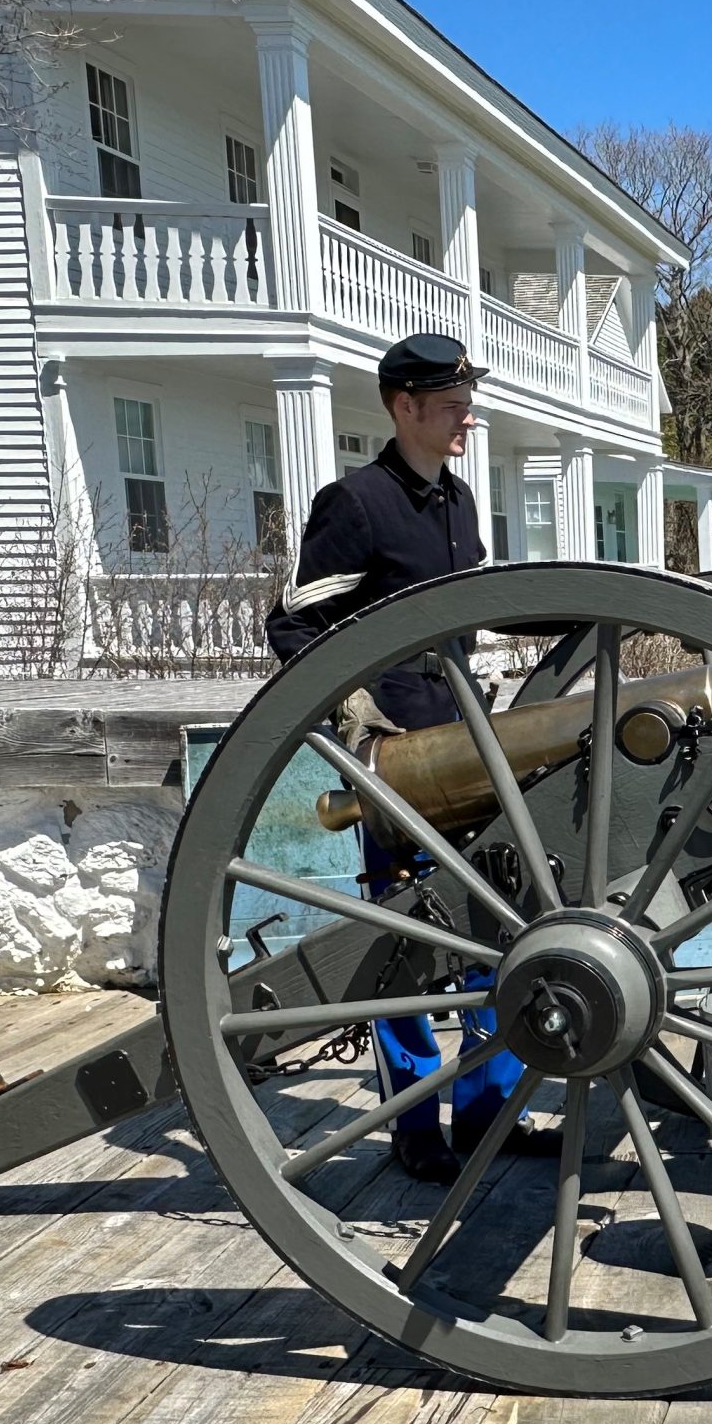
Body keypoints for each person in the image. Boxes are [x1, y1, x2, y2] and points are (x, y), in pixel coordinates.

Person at [264, 332, 548, 1184]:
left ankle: (492, 1114)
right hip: (399, 755)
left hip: (470, 745)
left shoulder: (460, 505)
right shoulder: (355, 505)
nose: (469, 416)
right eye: (453, 404)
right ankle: (415, 1125)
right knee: (406, 949)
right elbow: (292, 626)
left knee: (502, 932)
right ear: (404, 407)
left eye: (468, 402)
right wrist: (356, 715)